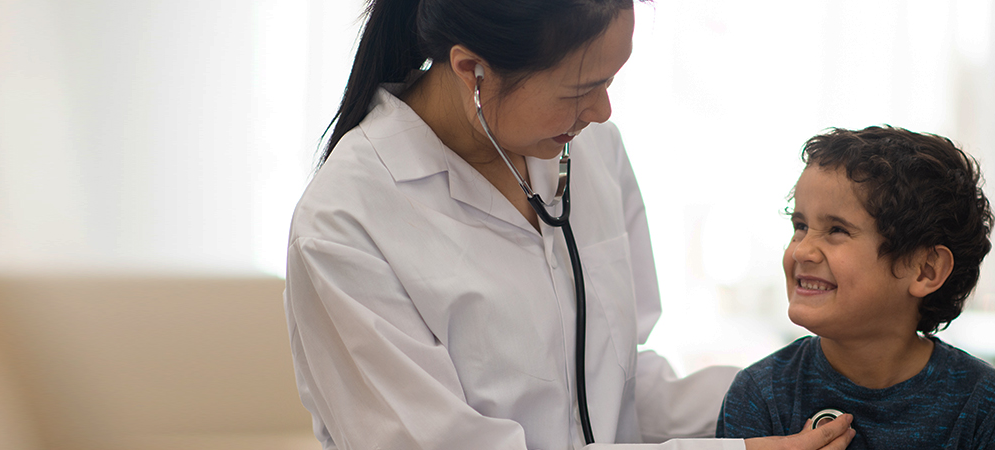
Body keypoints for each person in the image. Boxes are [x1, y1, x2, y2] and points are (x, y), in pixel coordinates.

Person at [283, 0, 854, 449]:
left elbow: (617, 386)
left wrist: (794, 390)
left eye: (611, 80)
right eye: (581, 90)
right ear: (471, 69)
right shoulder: (344, 224)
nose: (603, 111)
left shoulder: (590, 149)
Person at [715, 126, 995, 450]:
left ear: (925, 270)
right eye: (800, 226)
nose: (801, 250)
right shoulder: (760, 394)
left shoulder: (985, 406)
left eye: (837, 229)